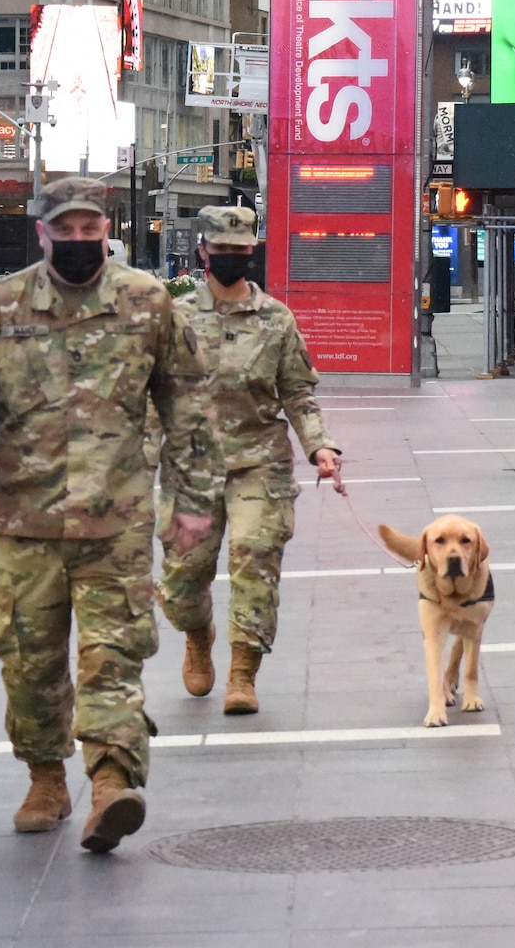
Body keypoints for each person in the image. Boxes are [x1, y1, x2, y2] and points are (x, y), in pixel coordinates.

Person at [0, 176, 221, 853]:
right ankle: (45, 780)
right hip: (24, 527)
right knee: (27, 665)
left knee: (112, 658)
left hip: (116, 527)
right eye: (67, 230)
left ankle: (112, 784)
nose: (81, 241)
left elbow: (188, 407)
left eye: (92, 230)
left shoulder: (148, 303)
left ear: (106, 231)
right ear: (42, 232)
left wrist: (194, 501)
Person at [157, 206, 343, 714]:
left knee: (254, 560)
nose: (230, 259)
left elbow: (298, 392)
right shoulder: (175, 317)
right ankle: (198, 634)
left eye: (240, 252)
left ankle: (243, 673)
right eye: (221, 252)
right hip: (191, 467)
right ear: (202, 253)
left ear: (251, 253)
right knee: (181, 580)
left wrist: (320, 446)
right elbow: (155, 395)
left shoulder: (276, 319)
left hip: (259, 461)